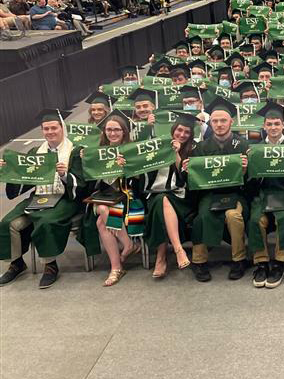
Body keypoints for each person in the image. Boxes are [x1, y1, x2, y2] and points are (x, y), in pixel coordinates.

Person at [0, 109, 84, 289]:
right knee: (8, 222)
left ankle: (50, 266)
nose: (50, 132)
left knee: (45, 222)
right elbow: (24, 180)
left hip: (65, 198)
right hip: (39, 197)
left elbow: (83, 184)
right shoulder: (35, 152)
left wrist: (64, 175)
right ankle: (17, 263)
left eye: (54, 127)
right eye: (46, 129)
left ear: (62, 128)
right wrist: (8, 170)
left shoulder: (75, 151)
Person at [185, 97, 250, 282]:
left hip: (236, 193)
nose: (219, 124)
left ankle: (239, 259)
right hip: (210, 194)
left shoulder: (243, 145)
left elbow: (253, 181)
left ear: (232, 121)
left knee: (233, 216)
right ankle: (199, 261)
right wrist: (190, 170)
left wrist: (245, 171)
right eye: (215, 121)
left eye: (223, 120)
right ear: (210, 122)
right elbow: (196, 181)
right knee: (202, 217)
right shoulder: (201, 148)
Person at [79, 111, 141, 287]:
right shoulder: (97, 152)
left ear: (124, 132)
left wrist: (127, 168)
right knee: (102, 207)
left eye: (117, 130)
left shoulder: (132, 151)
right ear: (104, 132)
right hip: (103, 197)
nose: (112, 133)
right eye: (109, 130)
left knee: (101, 222)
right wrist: (87, 163)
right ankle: (128, 244)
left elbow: (141, 182)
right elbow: (89, 183)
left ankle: (116, 268)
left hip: (127, 198)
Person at [247, 103, 284, 288]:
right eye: (269, 124)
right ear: (264, 126)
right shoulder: (255, 149)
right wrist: (249, 167)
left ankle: (279, 263)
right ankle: (261, 263)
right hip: (263, 194)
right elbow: (251, 183)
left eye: (276, 123)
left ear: (283, 125)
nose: (273, 127)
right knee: (255, 219)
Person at [136, 113, 196, 278]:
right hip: (155, 194)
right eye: (179, 130)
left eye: (187, 132)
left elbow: (187, 179)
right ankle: (178, 250)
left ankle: (161, 258)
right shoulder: (158, 145)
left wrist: (176, 154)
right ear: (173, 130)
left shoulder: (194, 149)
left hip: (181, 196)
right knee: (161, 200)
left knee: (162, 201)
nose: (182, 134)